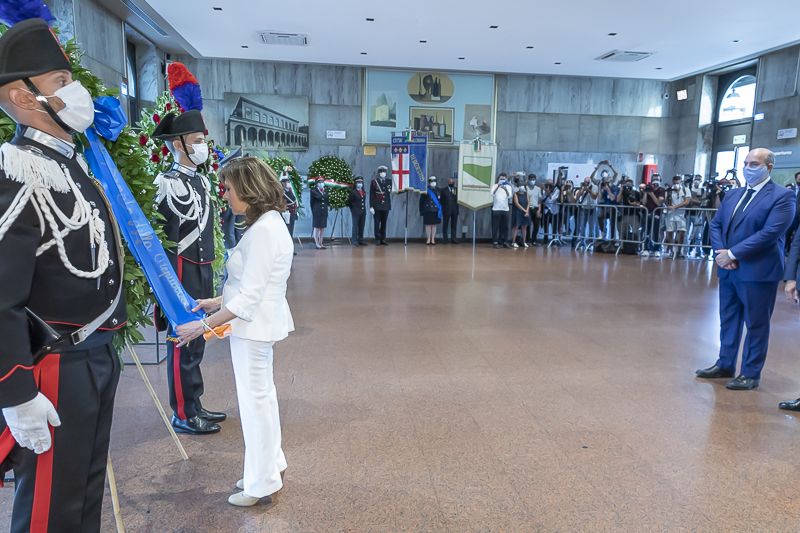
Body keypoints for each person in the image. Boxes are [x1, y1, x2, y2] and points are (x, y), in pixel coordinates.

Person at [0, 17, 126, 531]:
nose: (75, 92)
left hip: (93, 355)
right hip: (53, 367)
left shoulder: (73, 166)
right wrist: (15, 391)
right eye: (60, 82)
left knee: (82, 494)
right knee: (51, 508)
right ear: (23, 96)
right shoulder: (17, 169)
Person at [177, 157, 294, 507]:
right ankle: (270, 467)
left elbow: (249, 299)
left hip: (253, 328)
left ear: (248, 189)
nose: (225, 196)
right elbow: (249, 286)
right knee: (263, 400)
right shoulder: (271, 224)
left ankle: (261, 484)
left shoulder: (262, 232)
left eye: (229, 189)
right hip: (258, 325)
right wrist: (216, 302)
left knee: (255, 405)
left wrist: (199, 328)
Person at [696, 148, 795, 390]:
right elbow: (717, 224)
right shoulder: (733, 194)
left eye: (754, 164)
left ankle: (750, 373)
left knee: (756, 323)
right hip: (729, 270)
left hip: (758, 271)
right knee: (728, 319)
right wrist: (723, 256)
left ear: (768, 167)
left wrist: (733, 253)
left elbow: (771, 233)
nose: (747, 168)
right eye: (746, 163)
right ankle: (725, 364)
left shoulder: (783, 196)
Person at [152, 110, 224, 436]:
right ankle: (182, 412)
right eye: (196, 141)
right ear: (179, 145)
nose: (202, 146)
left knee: (198, 340)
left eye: (202, 140)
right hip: (180, 272)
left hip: (203, 268)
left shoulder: (202, 180)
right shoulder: (166, 183)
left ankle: (194, 402)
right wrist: (164, 290)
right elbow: (162, 240)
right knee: (182, 340)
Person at [662, 175, 691, 259]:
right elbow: (666, 202)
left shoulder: (686, 190)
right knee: (670, 233)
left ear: (681, 182)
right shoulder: (670, 191)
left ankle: (679, 251)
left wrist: (675, 207)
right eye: (675, 181)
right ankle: (671, 251)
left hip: (681, 215)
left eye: (678, 181)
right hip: (671, 215)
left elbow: (686, 202)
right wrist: (668, 192)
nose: (676, 183)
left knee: (681, 233)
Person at [640, 174, 665, 257]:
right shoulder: (648, 189)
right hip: (648, 213)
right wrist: (646, 192)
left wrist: (652, 194)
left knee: (656, 231)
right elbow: (644, 202)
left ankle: (656, 249)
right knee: (647, 231)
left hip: (657, 213)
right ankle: (646, 248)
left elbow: (659, 202)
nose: (656, 180)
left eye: (657, 179)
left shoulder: (661, 190)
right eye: (654, 179)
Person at [594, 161, 620, 240]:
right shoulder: (605, 189)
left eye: (609, 181)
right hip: (606, 208)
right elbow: (600, 198)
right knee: (599, 217)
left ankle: (612, 238)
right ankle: (603, 232)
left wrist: (608, 189)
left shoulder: (615, 188)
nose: (607, 182)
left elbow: (612, 198)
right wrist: (600, 187)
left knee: (612, 223)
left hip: (613, 209)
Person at [370, 165, 392, 245]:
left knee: (384, 223)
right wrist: (371, 206)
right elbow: (372, 195)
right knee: (376, 223)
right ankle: (377, 239)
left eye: (384, 172)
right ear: (379, 173)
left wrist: (404, 190)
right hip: (377, 206)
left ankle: (383, 239)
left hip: (386, 206)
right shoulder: (374, 182)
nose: (383, 173)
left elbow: (395, 190)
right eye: (381, 172)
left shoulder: (389, 182)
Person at [491, 173, 513, 249]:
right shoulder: (494, 186)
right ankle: (495, 242)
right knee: (495, 226)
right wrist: (498, 186)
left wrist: (505, 188)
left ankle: (505, 242)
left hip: (505, 209)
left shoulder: (509, 187)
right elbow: (492, 194)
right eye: (501, 179)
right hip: (496, 209)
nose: (502, 180)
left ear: (506, 180)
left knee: (506, 226)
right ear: (498, 179)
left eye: (503, 179)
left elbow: (509, 196)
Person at [419, 176, 442, 245]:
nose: (433, 183)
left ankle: (433, 239)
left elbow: (441, 201)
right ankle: (428, 239)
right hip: (427, 210)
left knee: (434, 225)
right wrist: (421, 211)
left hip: (435, 210)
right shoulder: (425, 190)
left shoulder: (439, 190)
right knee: (428, 225)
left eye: (434, 181)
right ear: (429, 182)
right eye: (431, 181)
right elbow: (421, 202)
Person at [280, 173, 298, 255]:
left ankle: (290, 249)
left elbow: (293, 201)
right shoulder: (281, 192)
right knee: (285, 232)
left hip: (291, 213)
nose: (288, 182)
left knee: (290, 231)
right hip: (285, 213)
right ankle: (284, 249)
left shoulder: (289, 191)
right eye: (286, 181)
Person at [783, 171, 800, 255]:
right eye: (799, 179)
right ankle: (785, 250)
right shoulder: (789, 190)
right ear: (795, 179)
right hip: (789, 217)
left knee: (797, 237)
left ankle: (793, 253)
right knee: (786, 234)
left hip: (798, 218)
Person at [511, 177, 531, 248]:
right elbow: (517, 203)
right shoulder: (515, 194)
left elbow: (528, 203)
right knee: (516, 226)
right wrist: (524, 210)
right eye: (520, 186)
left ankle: (524, 241)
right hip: (518, 211)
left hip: (525, 212)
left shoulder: (526, 194)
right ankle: (513, 241)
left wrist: (527, 211)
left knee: (524, 226)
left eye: (523, 186)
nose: (521, 187)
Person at [440, 175, 460, 243]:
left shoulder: (456, 190)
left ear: (454, 183)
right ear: (448, 182)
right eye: (450, 182)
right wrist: (442, 210)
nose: (451, 183)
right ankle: (445, 239)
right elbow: (441, 201)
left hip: (455, 210)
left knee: (454, 225)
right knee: (445, 225)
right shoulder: (443, 190)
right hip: (446, 210)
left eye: (452, 182)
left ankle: (453, 238)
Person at [310, 177, 328, 250]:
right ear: (317, 183)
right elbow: (312, 203)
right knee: (317, 228)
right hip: (317, 211)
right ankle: (317, 243)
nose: (321, 184)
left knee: (322, 228)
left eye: (322, 182)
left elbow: (327, 200)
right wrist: (313, 211)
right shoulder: (313, 191)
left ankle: (321, 243)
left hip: (324, 211)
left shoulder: (326, 191)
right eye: (319, 182)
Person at [348, 176, 367, 247]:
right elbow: (350, 202)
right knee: (355, 226)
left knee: (361, 226)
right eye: (358, 182)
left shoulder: (363, 192)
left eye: (361, 182)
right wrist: (353, 210)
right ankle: (354, 240)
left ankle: (360, 240)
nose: (360, 184)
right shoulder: (353, 192)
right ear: (355, 183)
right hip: (356, 211)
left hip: (363, 211)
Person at [525, 174, 543, 246]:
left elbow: (539, 201)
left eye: (533, 179)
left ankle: (534, 240)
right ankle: (528, 240)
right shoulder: (526, 188)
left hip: (536, 208)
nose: (532, 181)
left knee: (536, 225)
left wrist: (539, 210)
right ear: (529, 180)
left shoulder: (538, 189)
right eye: (531, 179)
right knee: (528, 225)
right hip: (528, 208)